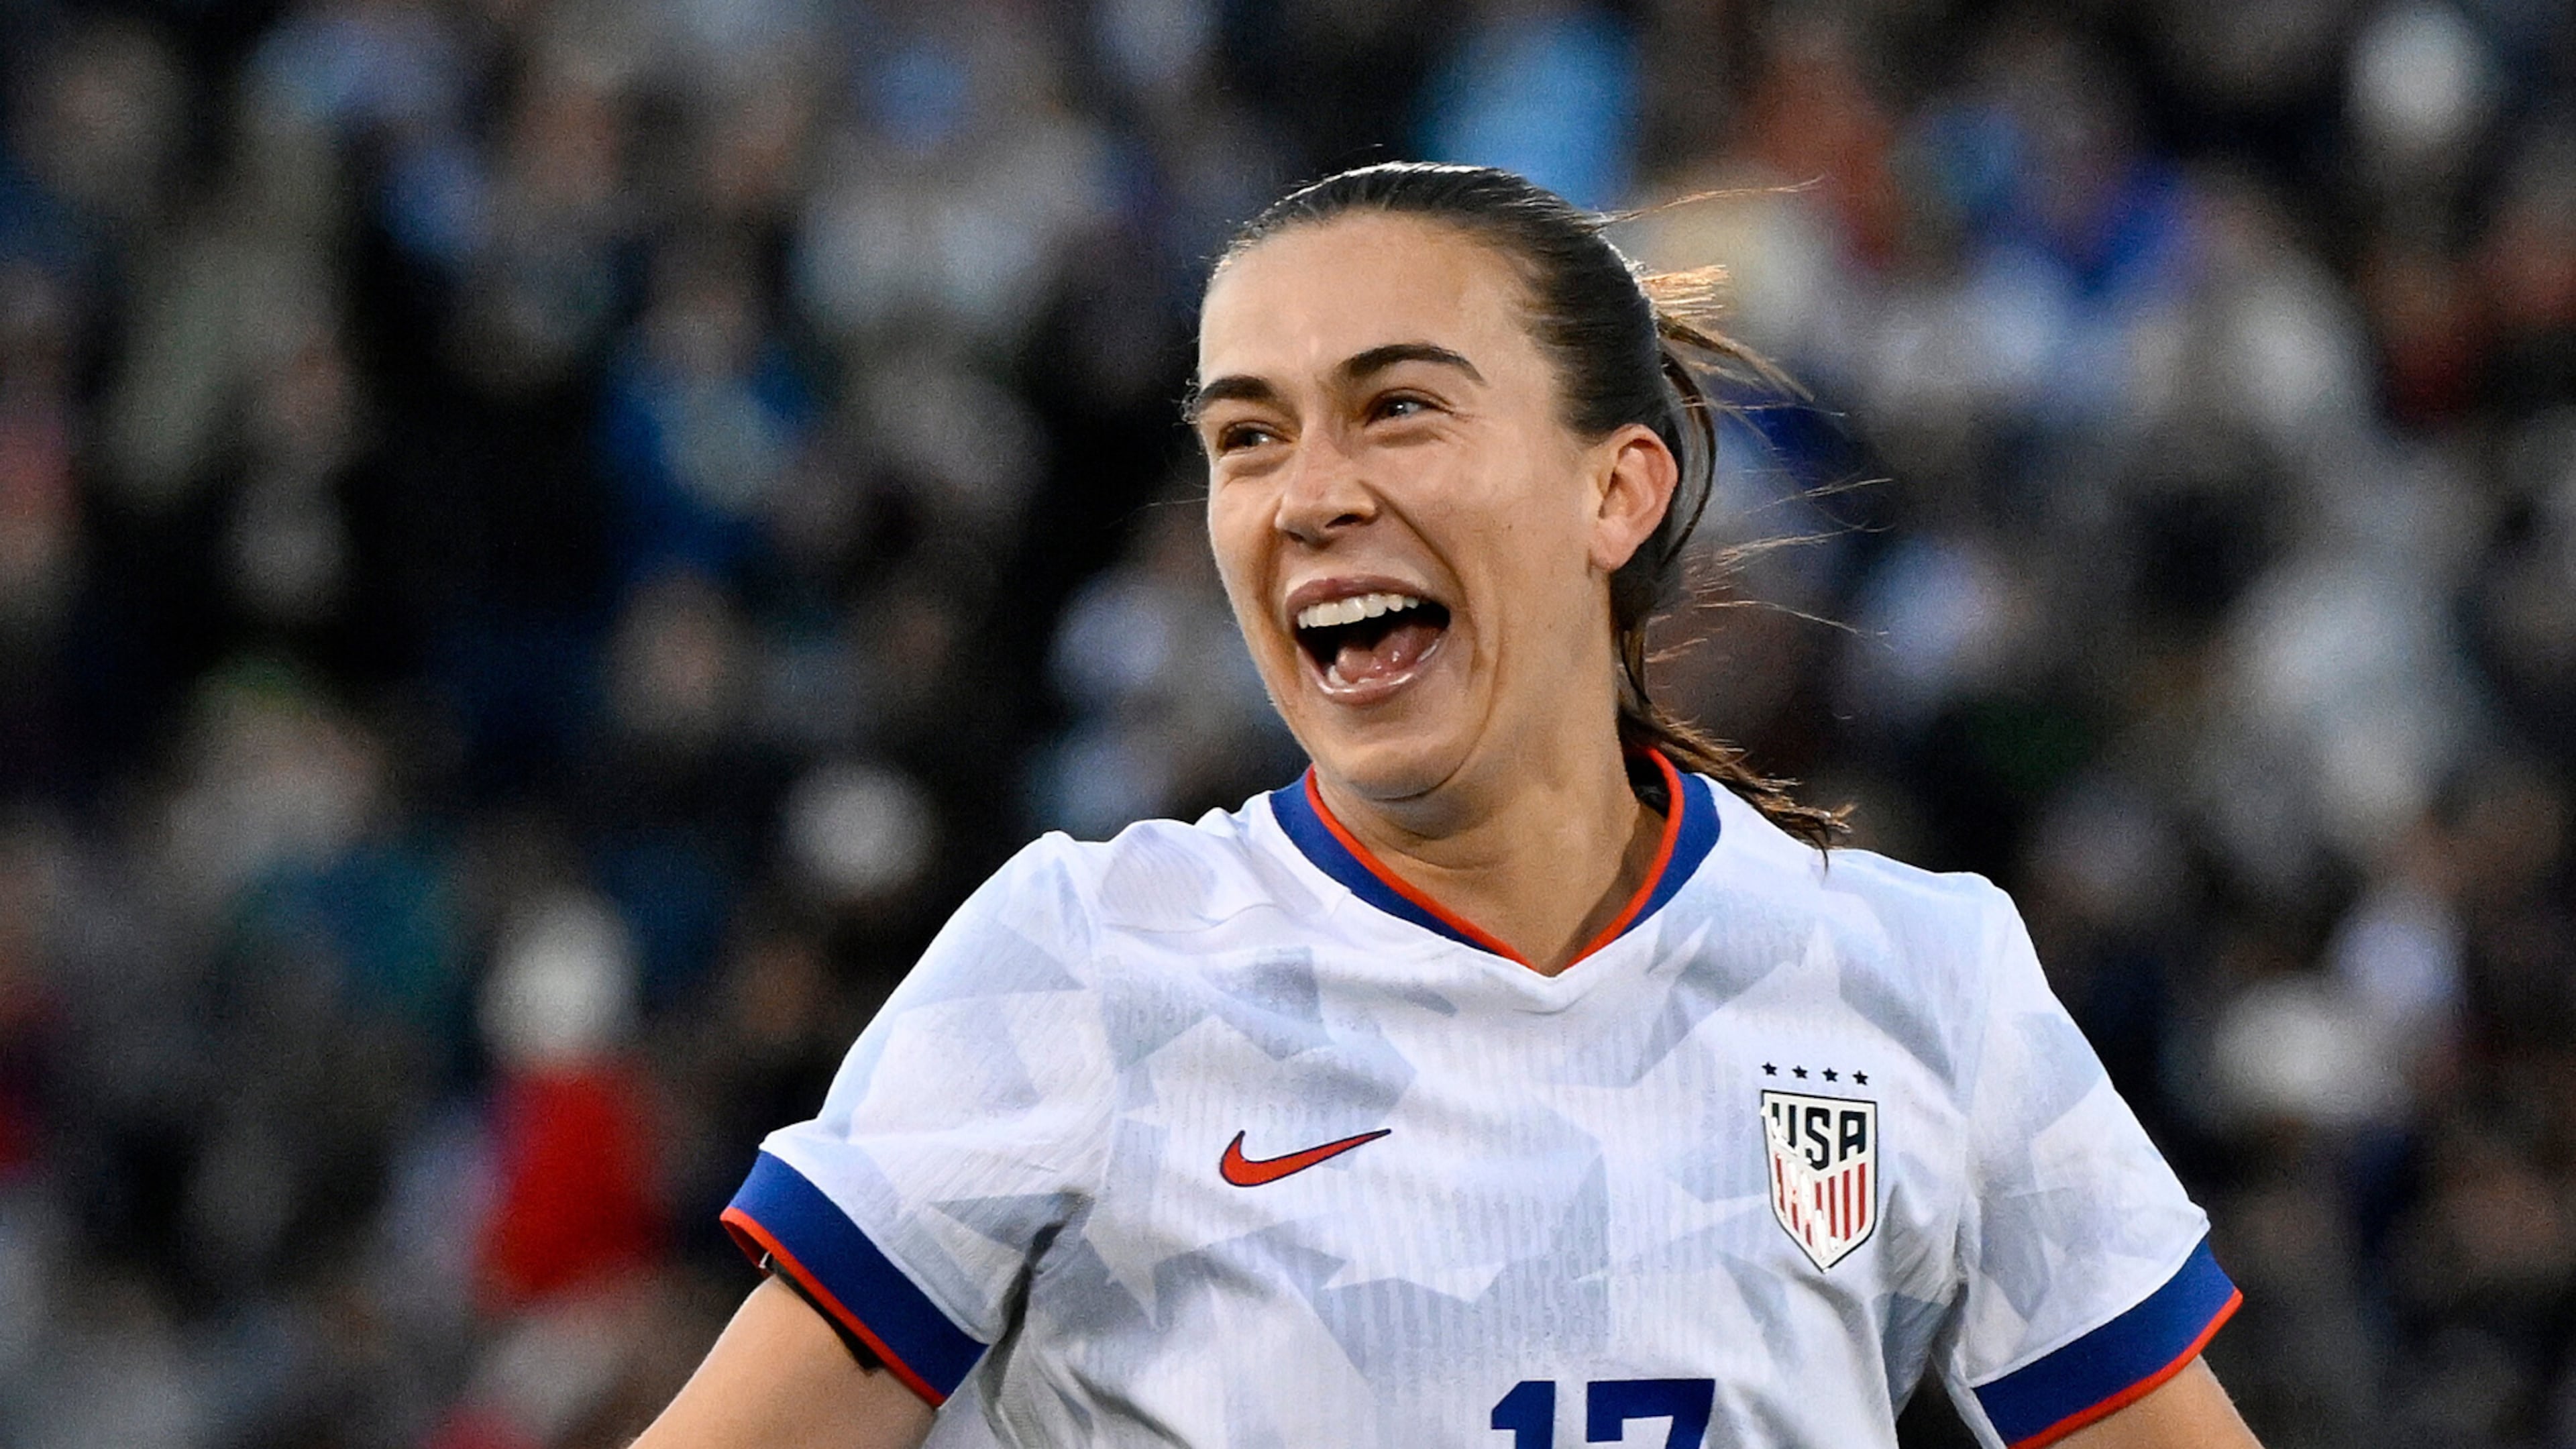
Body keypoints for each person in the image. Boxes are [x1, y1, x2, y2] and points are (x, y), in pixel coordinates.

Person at [633, 163, 2261, 1449]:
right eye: (1247, 436)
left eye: (1398, 405)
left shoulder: (1925, 980)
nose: (1312, 494)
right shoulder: (1079, 965)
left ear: (1617, 487)